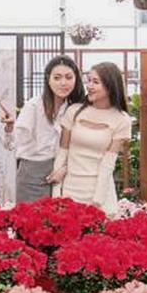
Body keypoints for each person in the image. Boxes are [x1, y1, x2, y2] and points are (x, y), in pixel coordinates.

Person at [48, 61, 132, 216]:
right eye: (88, 81)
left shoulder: (122, 119)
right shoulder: (73, 111)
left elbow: (108, 164)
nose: (89, 86)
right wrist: (56, 193)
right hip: (70, 190)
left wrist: (97, 201)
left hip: (100, 194)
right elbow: (63, 152)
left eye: (95, 82)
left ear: (110, 85)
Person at [1, 56, 85, 203]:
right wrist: (9, 128)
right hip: (32, 175)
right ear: (48, 79)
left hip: (65, 175)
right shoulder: (34, 106)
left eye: (68, 77)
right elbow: (11, 145)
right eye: (57, 78)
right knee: (32, 216)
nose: (63, 83)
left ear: (76, 79)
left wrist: (65, 167)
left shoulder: (75, 108)